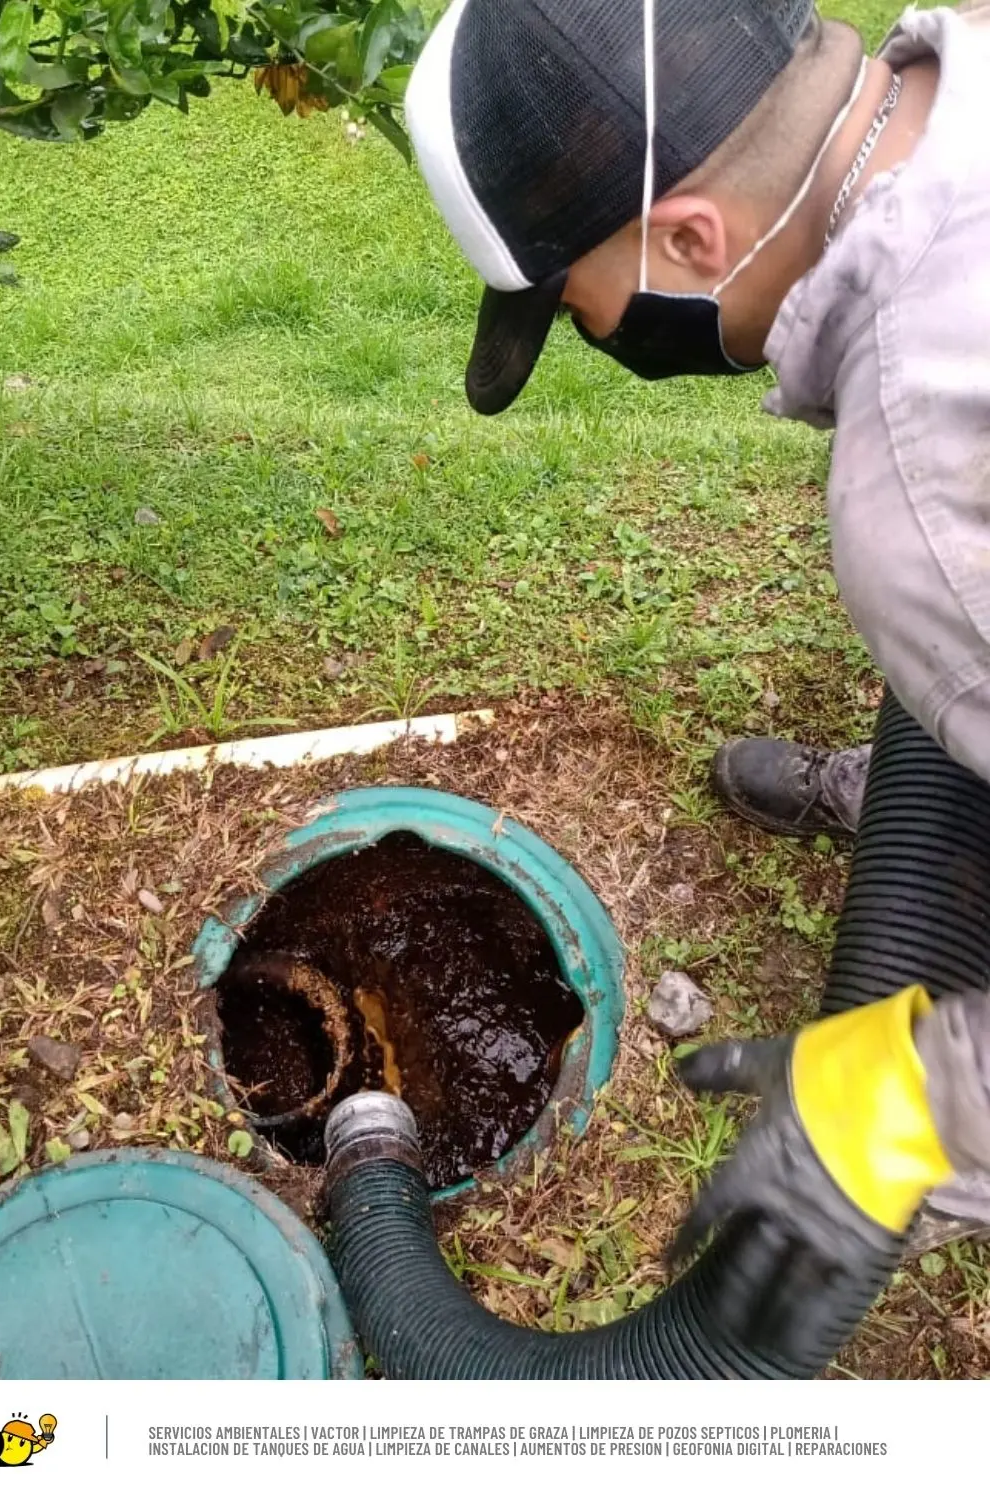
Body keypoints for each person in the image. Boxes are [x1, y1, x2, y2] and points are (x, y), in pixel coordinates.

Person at [402, 0, 990, 1317]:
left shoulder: (932, 483)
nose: (605, 336)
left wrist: (907, 1117)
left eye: (583, 305)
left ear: (687, 237)